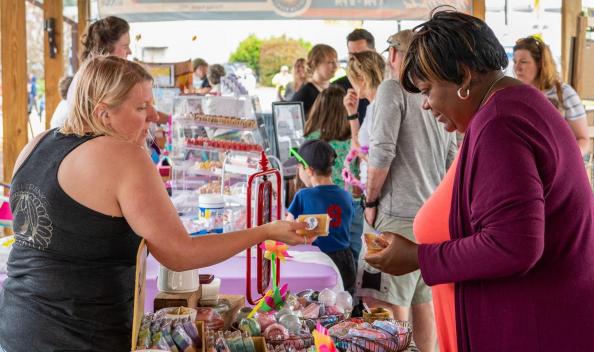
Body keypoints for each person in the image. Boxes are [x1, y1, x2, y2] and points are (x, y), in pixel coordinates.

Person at [0, 56, 311, 352]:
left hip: (16, 324)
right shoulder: (123, 156)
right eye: (141, 107)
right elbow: (181, 254)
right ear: (103, 113)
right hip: (79, 335)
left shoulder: (37, 144)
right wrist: (265, 231)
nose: (153, 116)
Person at [366, 10, 594, 351]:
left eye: (428, 90)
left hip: (536, 328)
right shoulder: (509, 106)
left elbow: (514, 245)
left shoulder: (501, 123)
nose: (426, 106)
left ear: (463, 77)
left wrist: (419, 257)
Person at [358, 30, 457, 352]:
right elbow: (452, 155)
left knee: (383, 301)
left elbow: (382, 150)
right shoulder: (440, 91)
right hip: (431, 215)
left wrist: (370, 200)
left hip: (395, 211)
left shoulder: (393, 87)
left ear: (394, 55)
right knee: (422, 301)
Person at [285, 139, 355, 293]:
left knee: (319, 304)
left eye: (299, 167)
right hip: (345, 259)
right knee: (345, 302)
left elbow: (287, 228)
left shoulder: (303, 195)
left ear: (309, 170)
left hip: (317, 259)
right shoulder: (345, 195)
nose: (298, 171)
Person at [342, 50, 385, 266]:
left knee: (376, 276)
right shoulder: (374, 106)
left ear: (360, 78)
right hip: (373, 196)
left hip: (378, 200)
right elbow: (359, 148)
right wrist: (352, 114)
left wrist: (370, 202)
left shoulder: (380, 108)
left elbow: (377, 156)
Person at [513, 36, 589, 156]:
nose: (517, 68)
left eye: (523, 62)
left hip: (561, 167)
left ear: (540, 64)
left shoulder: (564, 93)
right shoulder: (515, 95)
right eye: (515, 62)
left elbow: (583, 139)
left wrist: (566, 161)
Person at [304, 87, 352, 191]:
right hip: (348, 199)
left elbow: (307, 180)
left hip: (320, 198)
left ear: (318, 109)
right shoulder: (353, 138)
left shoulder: (311, 140)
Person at [331, 28, 375, 124]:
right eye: (352, 55)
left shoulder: (388, 85)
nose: (356, 59)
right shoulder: (336, 87)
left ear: (374, 52)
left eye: (361, 54)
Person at [291, 44, 338, 117]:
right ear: (315, 63)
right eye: (331, 62)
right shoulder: (304, 94)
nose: (336, 66)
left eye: (336, 61)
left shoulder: (335, 89)